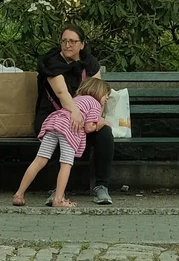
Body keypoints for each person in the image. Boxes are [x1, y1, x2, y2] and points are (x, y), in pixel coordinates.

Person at [33, 27, 115, 206]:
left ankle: (101, 186)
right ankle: (57, 190)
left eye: (72, 41)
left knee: (104, 133)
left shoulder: (90, 63)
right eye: (64, 41)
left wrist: (95, 119)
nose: (67, 45)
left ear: (82, 45)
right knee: (60, 129)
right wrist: (75, 114)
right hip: (53, 114)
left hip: (85, 116)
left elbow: (97, 95)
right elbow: (62, 93)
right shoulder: (52, 62)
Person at [12, 86, 104, 209]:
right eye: (106, 97)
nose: (106, 100)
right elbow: (88, 127)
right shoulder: (95, 103)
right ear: (100, 93)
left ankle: (19, 195)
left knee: (39, 160)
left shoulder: (76, 98)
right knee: (66, 164)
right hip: (69, 128)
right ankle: (59, 199)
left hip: (54, 123)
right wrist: (101, 123)